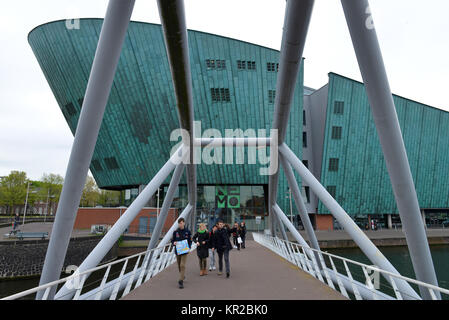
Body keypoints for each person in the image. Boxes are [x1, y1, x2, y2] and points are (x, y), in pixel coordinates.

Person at [171, 217, 192, 289]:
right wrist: (174, 242)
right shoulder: (175, 232)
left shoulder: (188, 232)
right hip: (178, 251)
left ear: (184, 223)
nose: (180, 224)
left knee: (182, 265)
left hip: (185, 251)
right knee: (179, 266)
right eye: (179, 223)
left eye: (181, 223)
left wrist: (189, 247)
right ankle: (182, 275)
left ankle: (180, 281)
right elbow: (172, 240)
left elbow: (190, 241)